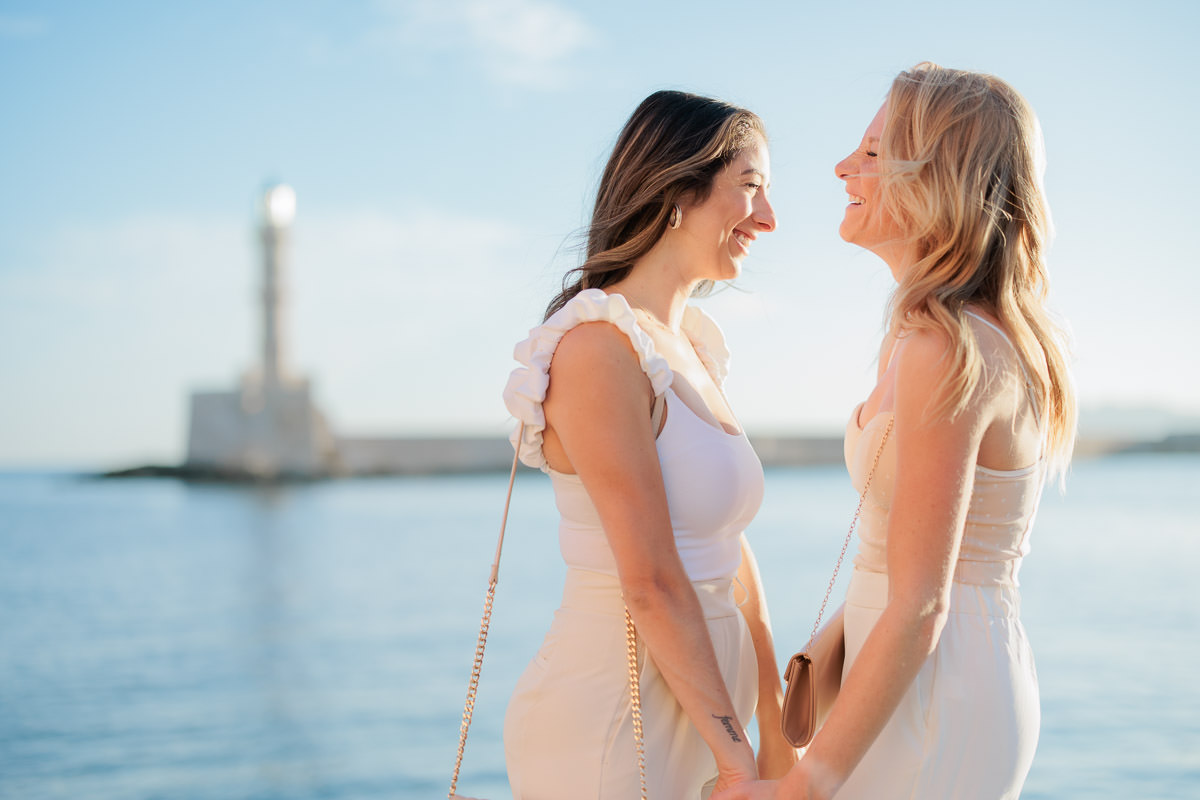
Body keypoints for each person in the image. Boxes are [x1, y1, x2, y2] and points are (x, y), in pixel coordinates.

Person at [714, 63, 1077, 800]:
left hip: (935, 693)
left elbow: (924, 601)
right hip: (918, 678)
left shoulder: (946, 346)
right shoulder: (929, 336)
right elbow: (915, 559)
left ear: (938, 175)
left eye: (875, 153)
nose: (845, 166)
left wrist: (804, 784)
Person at [501, 90, 795, 798]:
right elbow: (652, 580)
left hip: (707, 716)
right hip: (614, 717)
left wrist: (774, 727)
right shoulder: (596, 347)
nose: (768, 218)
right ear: (676, 192)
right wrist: (737, 760)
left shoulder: (688, 348)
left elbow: (729, 554)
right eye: (750, 187)